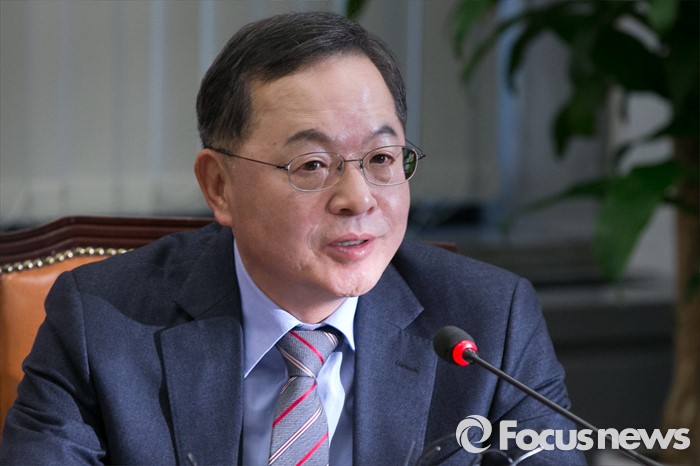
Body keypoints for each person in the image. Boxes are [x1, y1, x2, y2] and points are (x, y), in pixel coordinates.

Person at [0, 11, 586, 465]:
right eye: (311, 165)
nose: (358, 198)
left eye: (382, 158)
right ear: (219, 186)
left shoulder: (488, 324)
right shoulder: (103, 324)